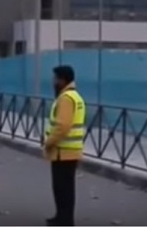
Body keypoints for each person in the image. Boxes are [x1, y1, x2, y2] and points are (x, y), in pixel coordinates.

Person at [44, 65, 85, 227]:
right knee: (64, 188)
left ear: (63, 80)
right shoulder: (74, 96)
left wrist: (49, 142)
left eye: (55, 78)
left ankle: (65, 220)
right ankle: (61, 216)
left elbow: (63, 126)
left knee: (62, 188)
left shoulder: (66, 99)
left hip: (63, 151)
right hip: (69, 151)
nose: (53, 81)